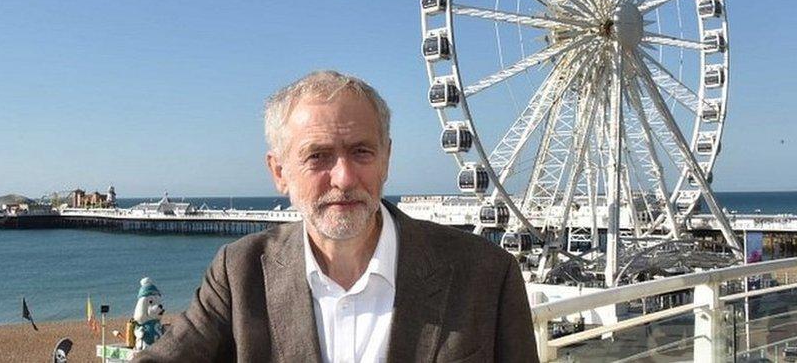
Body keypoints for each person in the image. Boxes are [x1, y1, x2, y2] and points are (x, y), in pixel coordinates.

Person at [136, 70, 537, 362]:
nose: (344, 178)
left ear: (386, 159)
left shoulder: (486, 274)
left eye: (362, 151)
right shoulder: (239, 272)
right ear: (279, 172)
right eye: (318, 156)